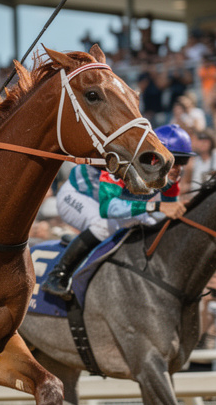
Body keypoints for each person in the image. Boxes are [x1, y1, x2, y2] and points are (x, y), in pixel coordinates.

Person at [43, 124, 192, 301]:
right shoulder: (126, 163)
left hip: (106, 202)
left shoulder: (171, 178)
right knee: (102, 225)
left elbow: (168, 215)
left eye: (183, 162)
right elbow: (107, 208)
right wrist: (156, 207)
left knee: (150, 224)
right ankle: (58, 275)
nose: (178, 168)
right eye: (174, 161)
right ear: (155, 157)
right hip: (75, 196)